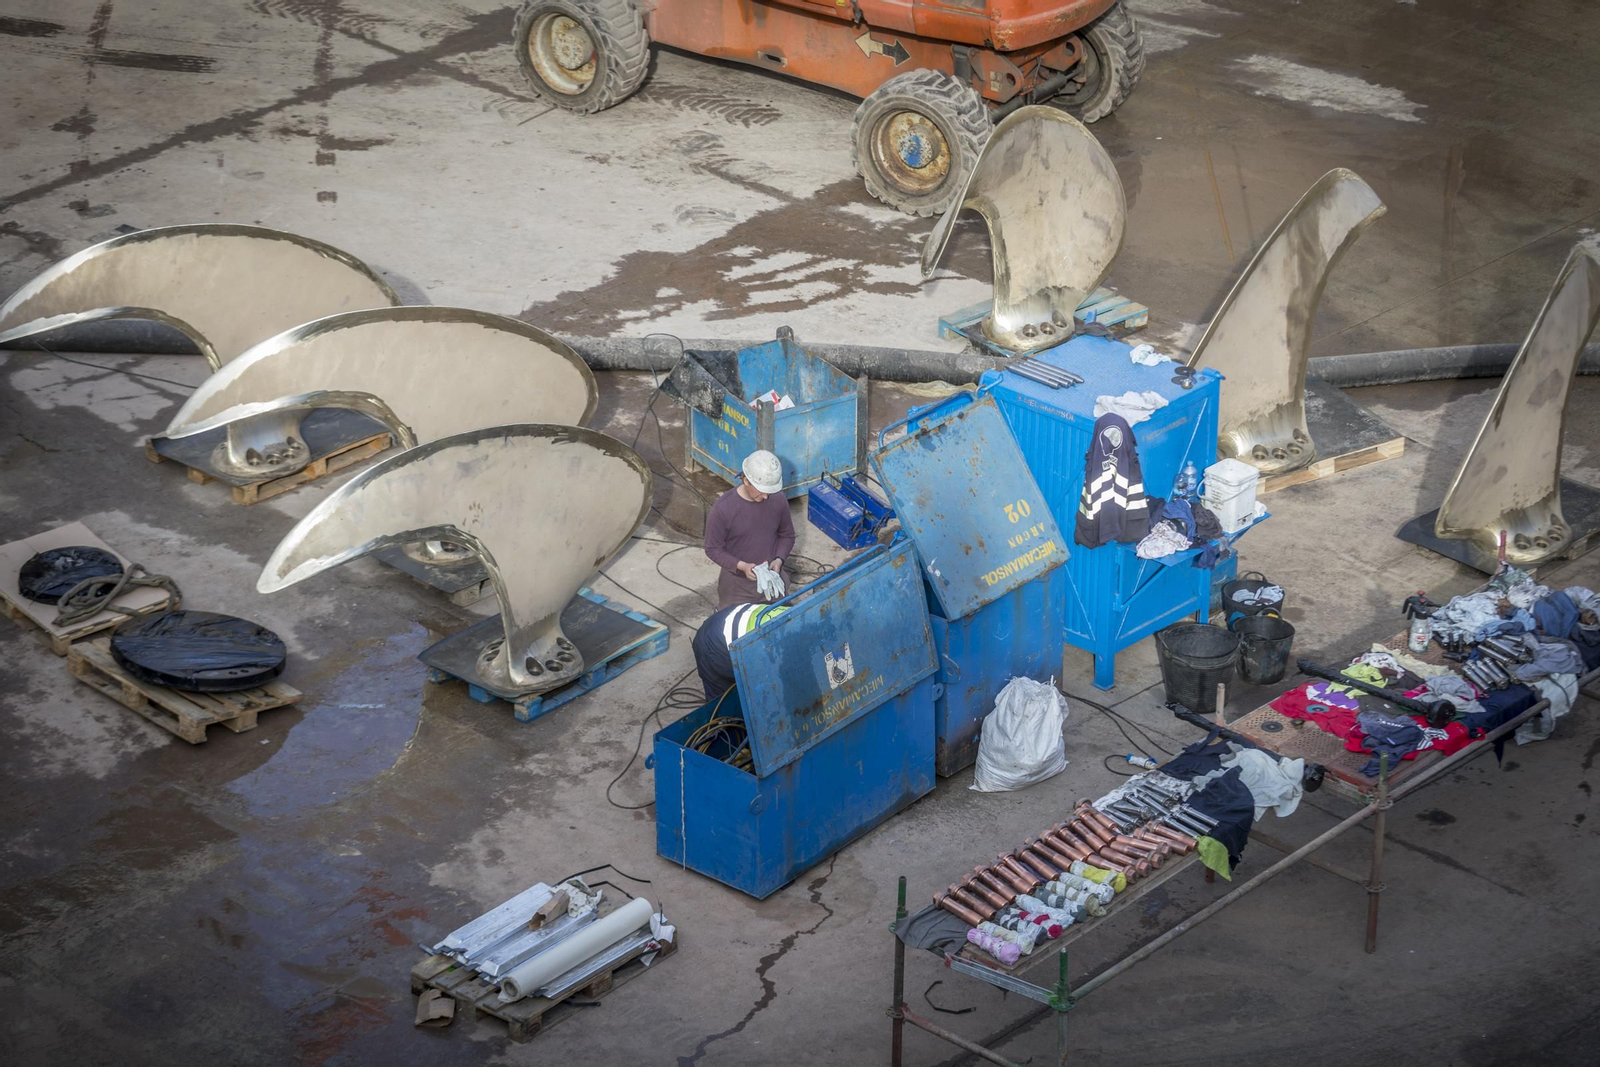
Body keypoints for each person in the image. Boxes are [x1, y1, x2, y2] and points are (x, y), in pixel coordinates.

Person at [704, 450, 795, 609]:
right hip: (738, 590)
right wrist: (742, 566)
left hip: (773, 583)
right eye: (761, 490)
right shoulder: (723, 510)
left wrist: (779, 559)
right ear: (746, 480)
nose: (766, 497)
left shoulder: (778, 499)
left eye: (769, 491)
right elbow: (713, 549)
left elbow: (787, 535)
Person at [692, 601, 790, 702]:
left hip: (735, 617)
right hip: (713, 641)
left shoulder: (797, 617)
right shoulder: (787, 648)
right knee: (725, 702)